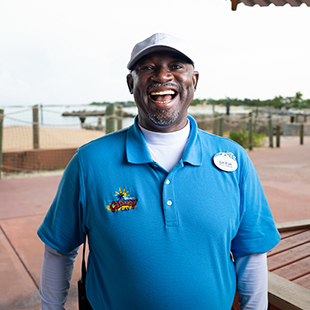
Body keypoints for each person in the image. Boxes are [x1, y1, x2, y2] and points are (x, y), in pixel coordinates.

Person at [37, 33, 280, 310]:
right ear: (131, 83)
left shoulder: (234, 159)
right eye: (148, 67)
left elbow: (251, 253)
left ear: (194, 80)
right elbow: (59, 250)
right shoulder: (89, 162)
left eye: (176, 66)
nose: (162, 76)